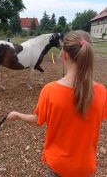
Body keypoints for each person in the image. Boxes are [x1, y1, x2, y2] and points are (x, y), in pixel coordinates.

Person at [7, 30, 107, 177]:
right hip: (86, 168)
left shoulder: (50, 91)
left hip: (58, 166)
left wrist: (17, 115)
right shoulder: (102, 91)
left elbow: (38, 120)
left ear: (64, 55)